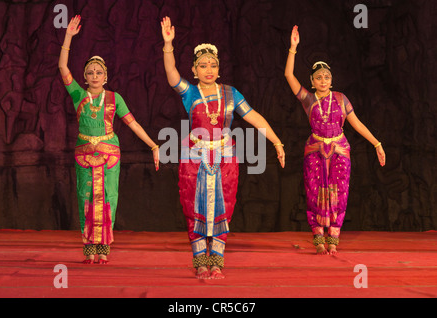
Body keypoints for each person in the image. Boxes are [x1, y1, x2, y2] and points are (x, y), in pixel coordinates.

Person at [161, 17, 285, 279]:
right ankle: (200, 262)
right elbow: (172, 75)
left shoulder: (231, 94)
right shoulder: (190, 92)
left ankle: (217, 261)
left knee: (222, 207)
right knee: (193, 208)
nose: (208, 69)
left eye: (213, 65)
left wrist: (276, 141)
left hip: (225, 158)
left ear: (219, 69)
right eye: (203, 65)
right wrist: (168, 44)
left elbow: (254, 117)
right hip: (194, 157)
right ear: (194, 71)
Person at [58, 16, 160, 264]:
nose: (95, 75)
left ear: (106, 76)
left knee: (108, 196)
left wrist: (153, 145)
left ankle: (103, 246)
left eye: (99, 72)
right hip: (84, 152)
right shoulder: (78, 95)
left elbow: (132, 123)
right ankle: (88, 247)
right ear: (85, 77)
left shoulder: (115, 98)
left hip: (110, 153)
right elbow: (62, 68)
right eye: (90, 72)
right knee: (85, 197)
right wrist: (69, 36)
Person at [284, 25, 386, 255]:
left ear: (332, 80)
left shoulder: (341, 99)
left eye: (327, 77)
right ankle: (318, 235)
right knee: (314, 191)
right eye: (318, 77)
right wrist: (293, 48)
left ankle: (334, 237)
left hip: (339, 149)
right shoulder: (308, 99)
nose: (323, 80)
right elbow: (289, 75)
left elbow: (356, 123)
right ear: (312, 81)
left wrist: (376, 143)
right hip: (315, 149)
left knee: (338, 192)